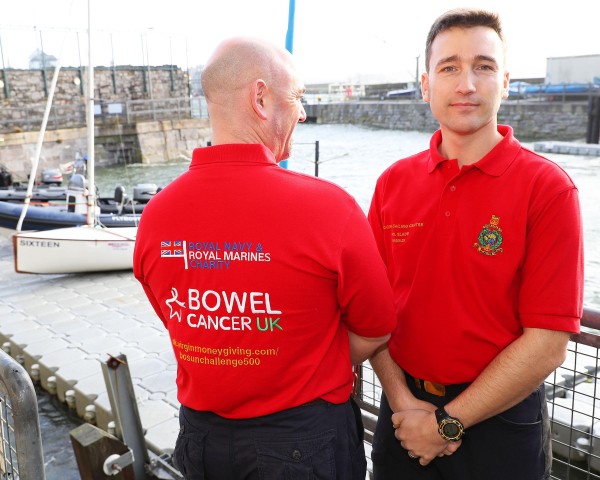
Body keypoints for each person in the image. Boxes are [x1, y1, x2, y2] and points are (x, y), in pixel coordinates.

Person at [133, 36, 396, 479]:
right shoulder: (329, 209)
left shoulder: (155, 216)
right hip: (302, 443)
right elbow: (377, 328)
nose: (303, 111)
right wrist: (303, 356)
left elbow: (177, 317)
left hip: (201, 440)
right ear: (260, 98)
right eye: (297, 97)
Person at [367, 8, 584, 480]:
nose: (466, 83)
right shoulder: (392, 184)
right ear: (426, 85)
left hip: (501, 421)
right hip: (402, 412)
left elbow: (548, 342)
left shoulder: (548, 189)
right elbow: (369, 311)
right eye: (449, 67)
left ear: (504, 82)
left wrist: (447, 423)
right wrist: (404, 402)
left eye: (483, 66)